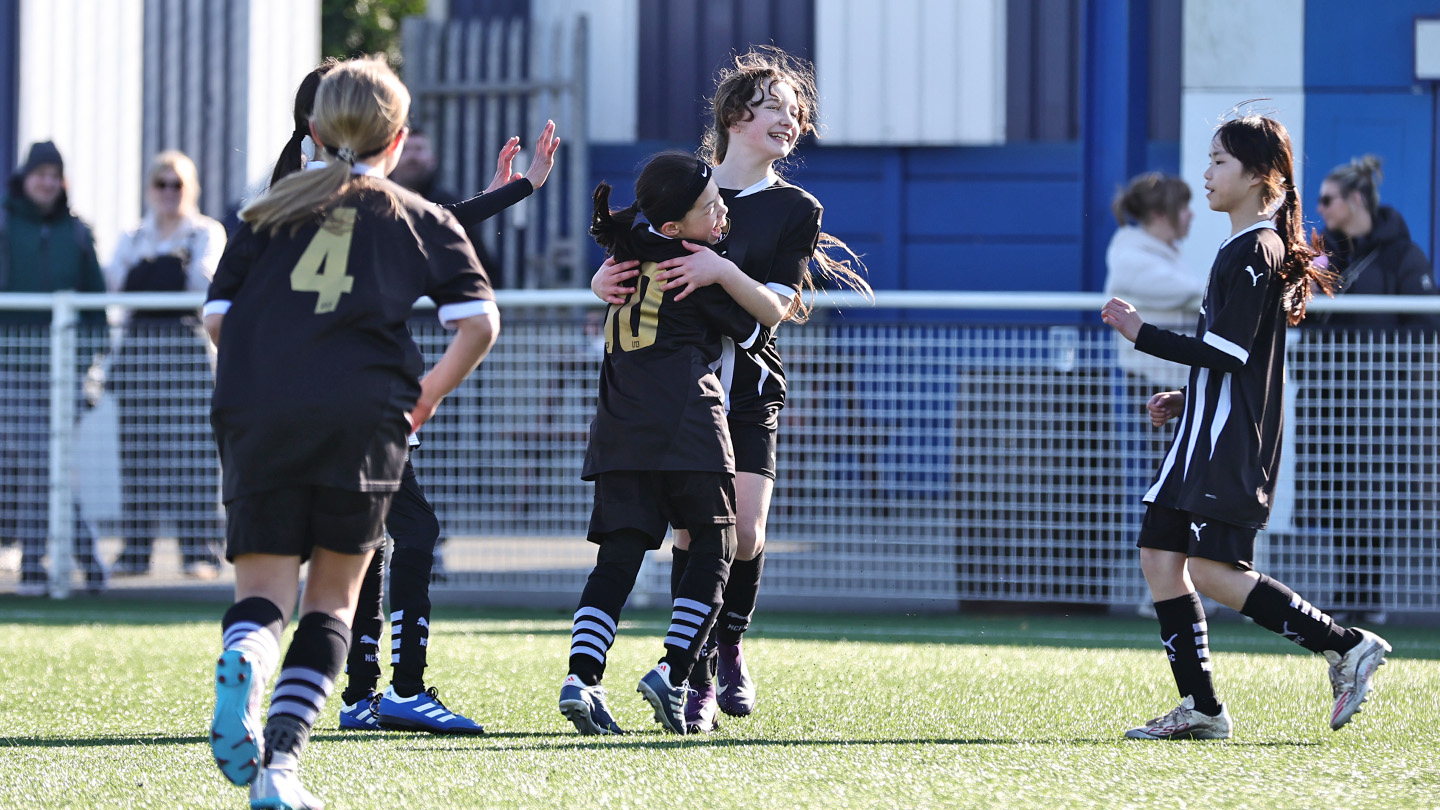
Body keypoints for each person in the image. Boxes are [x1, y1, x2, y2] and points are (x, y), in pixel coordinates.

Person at [205, 57, 499, 809]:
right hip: (363, 418)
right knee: (333, 602)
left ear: (313, 129)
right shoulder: (416, 217)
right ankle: (279, 771)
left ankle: (246, 658)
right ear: (397, 139)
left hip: (258, 414)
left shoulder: (264, 213)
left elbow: (216, 319)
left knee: (264, 595)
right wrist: (423, 398)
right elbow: (478, 323)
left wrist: (273, 376)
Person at [260, 60, 559, 736]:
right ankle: (401, 689)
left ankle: (360, 694)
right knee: (410, 531)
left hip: (308, 398)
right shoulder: (350, 196)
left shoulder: (296, 192)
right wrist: (517, 191)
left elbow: (424, 224)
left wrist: (506, 192)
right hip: (366, 398)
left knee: (364, 540)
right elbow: (440, 254)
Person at [590, 46, 871, 730]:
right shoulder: (683, 185)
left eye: (796, 110)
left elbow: (775, 308)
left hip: (745, 389)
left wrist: (720, 271)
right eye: (775, 106)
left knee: (744, 534)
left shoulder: (795, 207)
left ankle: (730, 639)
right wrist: (599, 281)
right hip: (675, 396)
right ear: (734, 116)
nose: (791, 119)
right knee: (695, 534)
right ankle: (696, 679)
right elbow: (629, 265)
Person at [1101, 112, 1390, 740]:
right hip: (1200, 437)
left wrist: (1141, 333)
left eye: (1219, 162)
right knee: (1159, 556)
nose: (1206, 173)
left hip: (1228, 446)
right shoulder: (1240, 247)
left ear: (1261, 175)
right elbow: (1236, 359)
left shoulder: (1258, 248)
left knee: (1211, 571)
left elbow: (1230, 354)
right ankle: (1202, 708)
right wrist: (1189, 396)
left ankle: (1346, 645)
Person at [559, 152, 768, 735]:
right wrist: (724, 273)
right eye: (710, 207)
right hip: (688, 424)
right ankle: (674, 672)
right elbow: (757, 331)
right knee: (716, 545)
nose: (722, 213)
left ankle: (581, 678)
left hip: (618, 429)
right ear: (674, 227)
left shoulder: (625, 248)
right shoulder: (691, 267)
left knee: (617, 559)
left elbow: (625, 237)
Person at [1298, 155, 1440, 625]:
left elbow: (1424, 325)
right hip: (1329, 397)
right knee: (1338, 492)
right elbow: (1302, 311)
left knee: (1373, 492)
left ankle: (1367, 594)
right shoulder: (1327, 254)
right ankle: (1348, 590)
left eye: (1328, 199)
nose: (1320, 208)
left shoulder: (1403, 255)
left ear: (1355, 199)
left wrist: (1385, 359)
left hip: (1380, 400)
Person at [105, 150, 227, 579]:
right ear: (149, 188)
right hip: (137, 354)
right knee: (137, 452)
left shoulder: (206, 231)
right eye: (162, 183)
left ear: (190, 188)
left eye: (178, 184)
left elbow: (203, 284)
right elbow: (115, 285)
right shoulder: (132, 234)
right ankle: (135, 552)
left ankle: (200, 553)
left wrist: (151, 269)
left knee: (193, 453)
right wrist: (166, 267)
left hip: (187, 352)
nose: (169, 192)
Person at [0, 140, 108, 595]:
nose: (46, 182)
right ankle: (68, 558)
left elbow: (96, 306)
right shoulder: (5, 224)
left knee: (47, 465)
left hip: (63, 372)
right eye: (39, 173)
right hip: (11, 369)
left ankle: (44, 563)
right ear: (25, 177)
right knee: (41, 460)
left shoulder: (77, 232)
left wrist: (82, 362)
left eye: (54, 174)